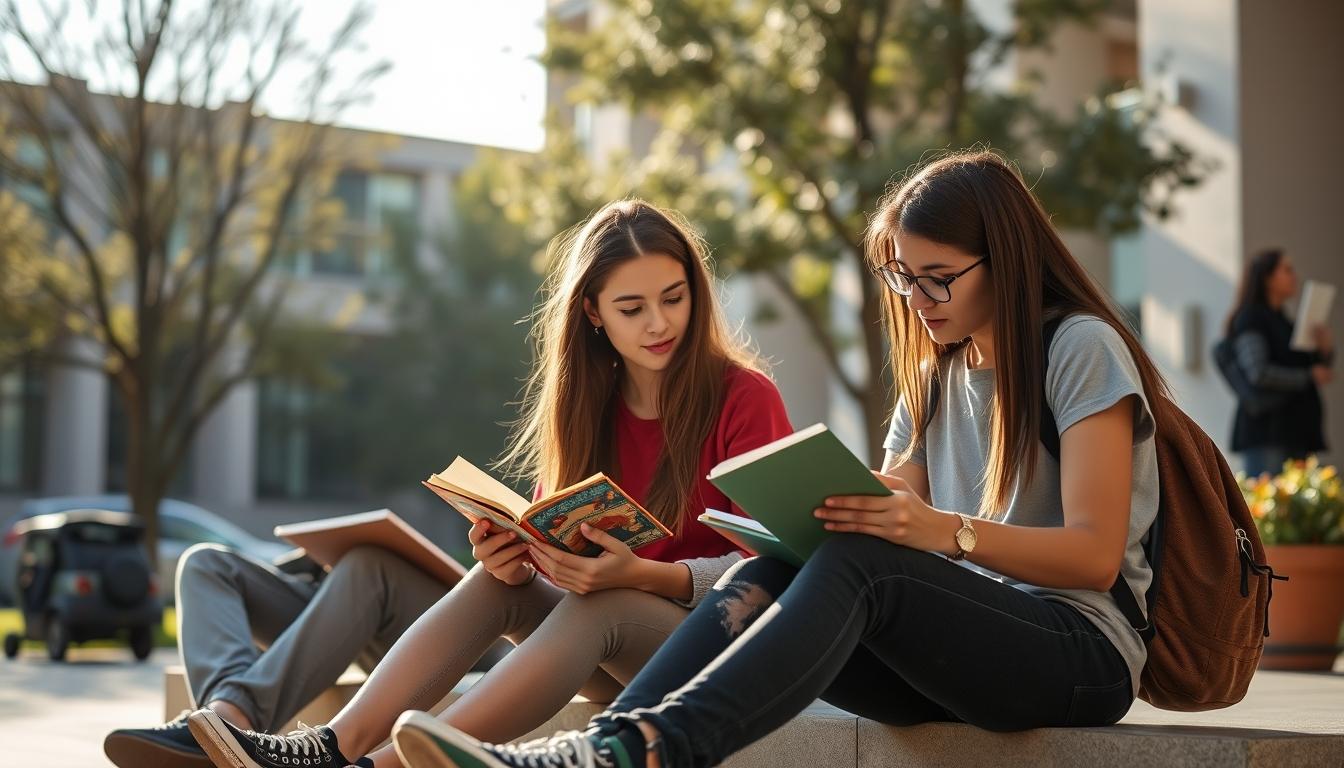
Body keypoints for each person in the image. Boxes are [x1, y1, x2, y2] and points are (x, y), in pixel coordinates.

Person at [391, 150, 1174, 768]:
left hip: (1078, 651)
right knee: (768, 568)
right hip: (958, 649)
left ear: (1004, 261)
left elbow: (1095, 557)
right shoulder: (937, 375)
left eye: (938, 279)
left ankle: (643, 749)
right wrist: (838, 505)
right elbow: (892, 495)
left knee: (861, 566)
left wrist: (941, 532)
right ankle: (616, 746)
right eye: (903, 279)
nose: (917, 300)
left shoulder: (1079, 348)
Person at [184, 199, 794, 768]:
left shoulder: (744, 397)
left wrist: (642, 576)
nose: (659, 324)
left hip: (718, 648)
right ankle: (329, 750)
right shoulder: (587, 407)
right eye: (632, 309)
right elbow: (559, 557)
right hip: (613, 644)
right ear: (593, 313)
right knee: (492, 584)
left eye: (674, 298)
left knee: (604, 604)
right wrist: (516, 557)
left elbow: (772, 564)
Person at [103, 539, 462, 768]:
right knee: (206, 563)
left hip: (458, 615)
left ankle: (228, 724)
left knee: (370, 561)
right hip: (362, 602)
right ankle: (218, 720)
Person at [1223, 248, 1333, 477]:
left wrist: (1324, 350)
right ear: (1267, 278)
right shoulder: (1251, 319)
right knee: (1266, 509)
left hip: (1296, 432)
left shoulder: (1285, 323)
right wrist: (1308, 376)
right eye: (1287, 270)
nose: (1294, 276)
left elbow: (1310, 368)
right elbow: (1258, 372)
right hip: (1268, 435)